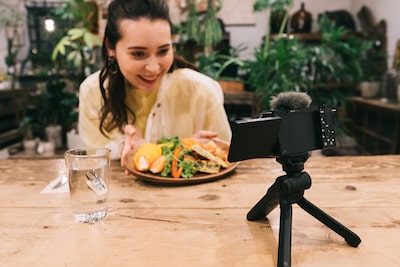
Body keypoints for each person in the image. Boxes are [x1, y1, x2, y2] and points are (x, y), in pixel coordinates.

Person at [78, 0, 232, 170]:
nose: (153, 68)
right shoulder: (93, 92)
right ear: (110, 48)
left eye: (163, 51)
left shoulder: (202, 90)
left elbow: (227, 156)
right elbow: (95, 160)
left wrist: (193, 150)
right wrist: (129, 148)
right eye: (138, 54)